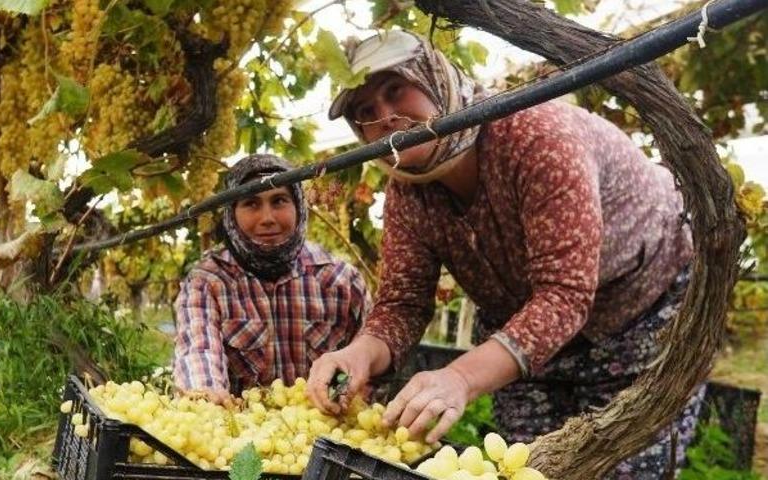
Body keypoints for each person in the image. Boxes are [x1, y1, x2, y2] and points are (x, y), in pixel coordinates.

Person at [305, 30, 701, 477]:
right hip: (524, 342)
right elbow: (403, 303)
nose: (385, 117)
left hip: (640, 319)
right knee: (529, 468)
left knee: (627, 469)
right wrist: (359, 354)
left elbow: (564, 294)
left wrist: (459, 378)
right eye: (365, 112)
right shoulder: (408, 195)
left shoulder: (534, 133)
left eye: (395, 89)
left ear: (434, 78)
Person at [173, 153, 369, 405]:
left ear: (298, 206)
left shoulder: (341, 280)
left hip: (328, 431)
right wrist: (208, 398)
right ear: (231, 213)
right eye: (251, 203)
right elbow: (198, 354)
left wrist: (335, 396)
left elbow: (367, 360)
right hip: (240, 435)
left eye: (279, 201)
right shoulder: (208, 282)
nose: (267, 218)